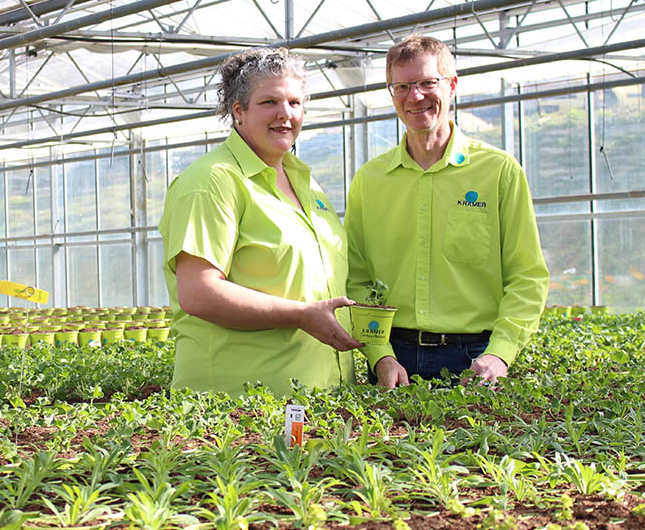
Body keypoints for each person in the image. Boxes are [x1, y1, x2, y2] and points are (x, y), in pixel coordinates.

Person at [345, 35, 548, 388]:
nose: (415, 96)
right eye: (403, 86)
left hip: (475, 358)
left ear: (452, 86)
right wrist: (380, 354)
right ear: (391, 94)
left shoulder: (498, 171)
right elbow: (356, 276)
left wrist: (500, 353)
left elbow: (527, 276)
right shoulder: (370, 180)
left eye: (427, 82)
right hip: (394, 360)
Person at [158, 47, 362, 394]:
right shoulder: (212, 181)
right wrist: (300, 314)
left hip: (318, 395)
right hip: (240, 404)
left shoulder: (304, 182)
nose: (285, 114)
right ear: (238, 111)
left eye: (295, 103)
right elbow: (198, 292)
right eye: (269, 102)